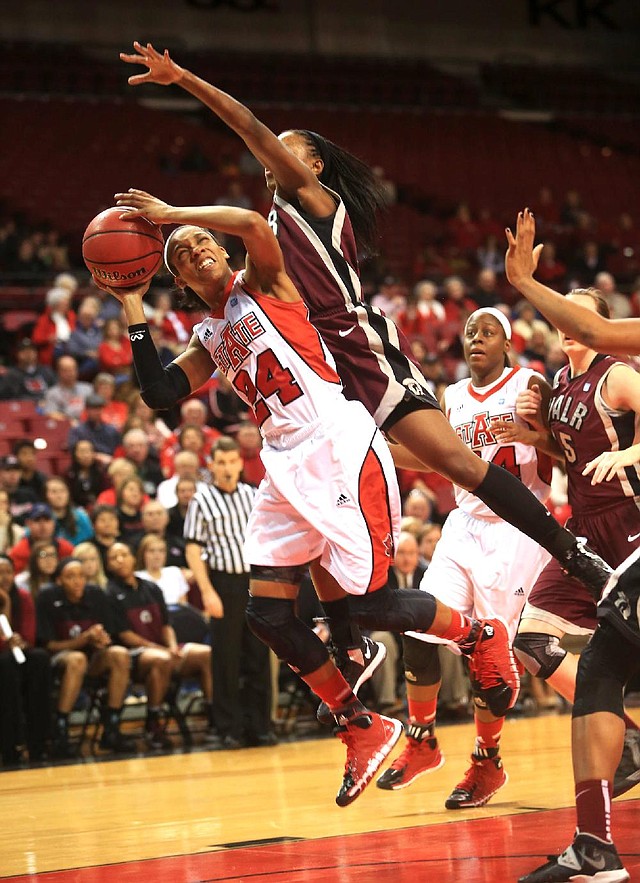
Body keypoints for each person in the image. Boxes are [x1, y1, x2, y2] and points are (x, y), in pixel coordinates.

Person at [120, 44, 613, 636]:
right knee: (324, 509)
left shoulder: (310, 201)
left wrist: (182, 82)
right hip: (313, 377)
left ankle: (573, 556)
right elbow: (170, 374)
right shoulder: (253, 255)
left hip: (351, 346)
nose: (272, 153)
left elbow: (248, 127)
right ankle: (352, 644)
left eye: (288, 146)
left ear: (315, 165)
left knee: (457, 463)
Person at [101, 190, 519, 805]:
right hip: (283, 462)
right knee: (266, 613)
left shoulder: (265, 279)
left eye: (202, 242)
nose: (197, 250)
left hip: (338, 444)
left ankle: (476, 635)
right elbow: (161, 393)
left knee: (372, 603)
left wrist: (173, 216)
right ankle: (362, 725)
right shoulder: (208, 334)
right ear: (182, 280)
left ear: (221, 248)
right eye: (183, 256)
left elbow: (248, 221)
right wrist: (134, 308)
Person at [504, 209, 640, 881]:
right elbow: (562, 461)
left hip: (632, 529)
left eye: (573, 312)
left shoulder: (619, 369)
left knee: (604, 671)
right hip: (587, 534)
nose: (564, 323)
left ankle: (596, 841)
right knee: (542, 648)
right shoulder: (557, 388)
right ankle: (595, 839)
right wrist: (529, 433)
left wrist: (638, 446)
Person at [376, 308, 552, 807]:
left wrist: (537, 436)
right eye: (470, 331)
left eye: (488, 331)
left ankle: (486, 762)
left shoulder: (529, 383)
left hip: (516, 528)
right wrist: (381, 448)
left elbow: (565, 448)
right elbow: (436, 456)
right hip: (464, 524)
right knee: (419, 622)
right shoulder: (450, 397)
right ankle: (422, 738)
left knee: (491, 655)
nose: (476, 338)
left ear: (507, 343)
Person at [183, 435, 273, 749]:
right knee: (226, 659)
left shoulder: (251, 495)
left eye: (232, 461)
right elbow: (193, 550)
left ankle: (259, 727)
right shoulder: (201, 500)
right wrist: (207, 592)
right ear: (211, 465)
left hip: (254, 581)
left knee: (258, 655)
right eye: (221, 463)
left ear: (239, 463)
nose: (227, 468)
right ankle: (228, 729)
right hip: (222, 583)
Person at [106, 541, 211, 749]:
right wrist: (161, 650)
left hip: (163, 651)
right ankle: (154, 722)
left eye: (124, 554)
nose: (120, 560)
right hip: (134, 656)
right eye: (113, 557)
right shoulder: (109, 592)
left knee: (207, 654)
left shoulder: (151, 588)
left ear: (133, 557)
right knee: (160, 661)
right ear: (108, 565)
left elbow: (166, 625)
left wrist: (171, 647)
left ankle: (214, 717)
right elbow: (125, 636)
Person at [36, 557, 136, 757]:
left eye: (81, 576)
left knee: (120, 654)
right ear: (59, 580)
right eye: (70, 577)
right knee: (76, 659)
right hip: (59, 661)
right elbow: (49, 645)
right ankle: (60, 731)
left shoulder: (96, 595)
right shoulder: (47, 597)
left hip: (92, 659)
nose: (77, 581)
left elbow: (108, 636)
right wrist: (83, 639)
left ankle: (112, 727)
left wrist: (101, 640)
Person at [0, 554, 51, 765]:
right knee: (5, 665)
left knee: (40, 658)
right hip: (4, 659)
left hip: (17, 654)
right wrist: (6, 605)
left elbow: (29, 636)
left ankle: (39, 742)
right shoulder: (11, 599)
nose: (4, 577)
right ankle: (10, 744)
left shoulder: (23, 596)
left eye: (8, 572)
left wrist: (18, 642)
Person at [8, 503, 74, 575]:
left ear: (53, 523)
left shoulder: (66, 549)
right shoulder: (19, 552)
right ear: (28, 524)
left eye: (47, 520)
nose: (43, 525)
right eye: (37, 520)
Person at [44, 476, 94, 546]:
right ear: (45, 495)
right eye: (54, 492)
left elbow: (90, 539)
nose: (59, 496)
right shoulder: (42, 518)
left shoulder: (81, 516)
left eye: (62, 491)